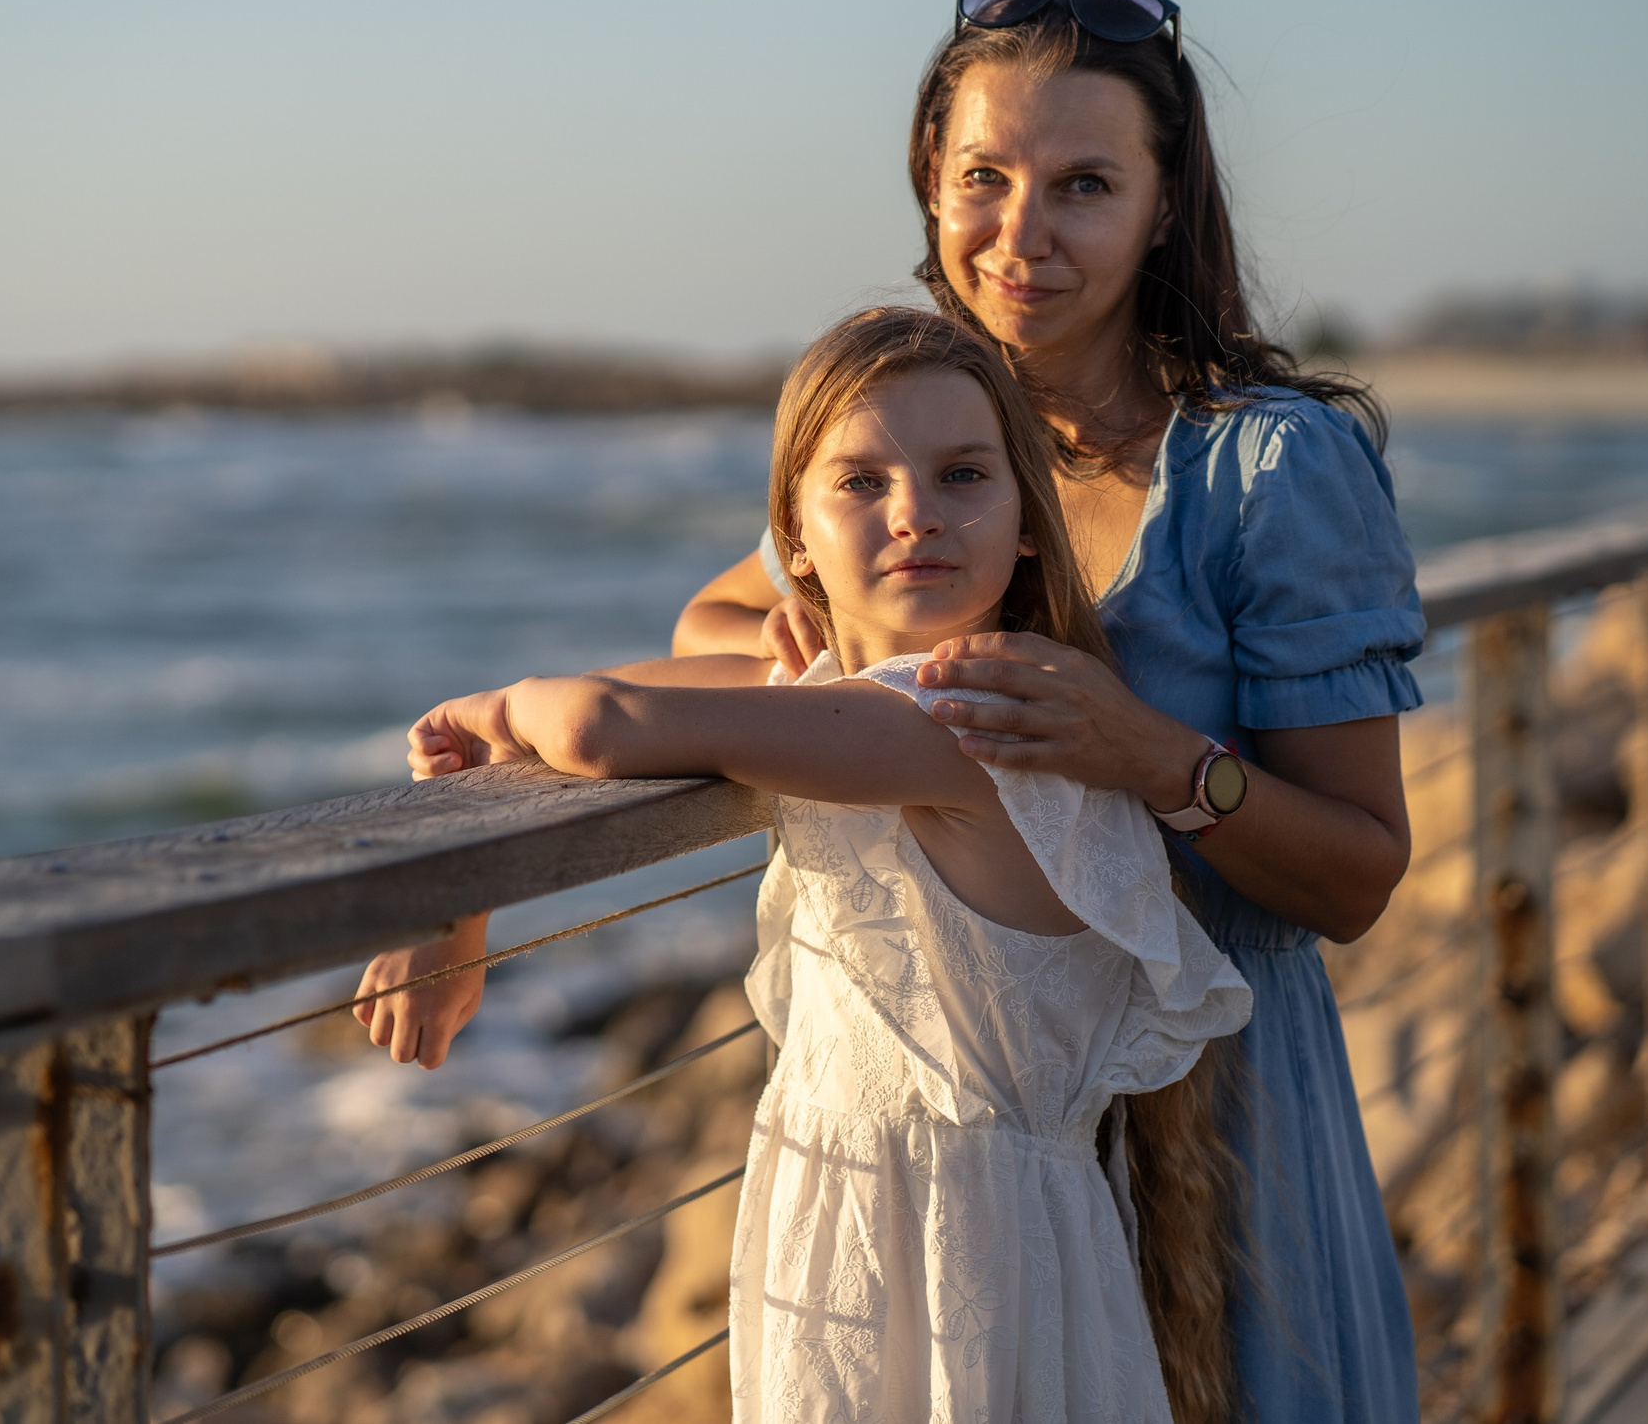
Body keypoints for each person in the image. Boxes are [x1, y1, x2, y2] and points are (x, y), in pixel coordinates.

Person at [672, 0, 1426, 1422]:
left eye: (1084, 183)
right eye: (984, 178)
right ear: (930, 185)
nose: (1021, 233)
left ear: (1164, 205)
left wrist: (1153, 757)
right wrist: (790, 630)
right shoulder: (937, 435)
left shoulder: (1268, 468)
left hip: (1219, 1116)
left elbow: (1358, 873)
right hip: (972, 1153)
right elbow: (713, 617)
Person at [369, 308, 1251, 1422]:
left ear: (1029, 519)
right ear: (793, 542)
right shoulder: (836, 699)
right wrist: (459, 907)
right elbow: (587, 716)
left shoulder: (972, 717)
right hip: (868, 1224)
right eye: (862, 484)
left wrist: (493, 711)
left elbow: (594, 724)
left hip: (958, 1256)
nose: (915, 513)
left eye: (963, 474)